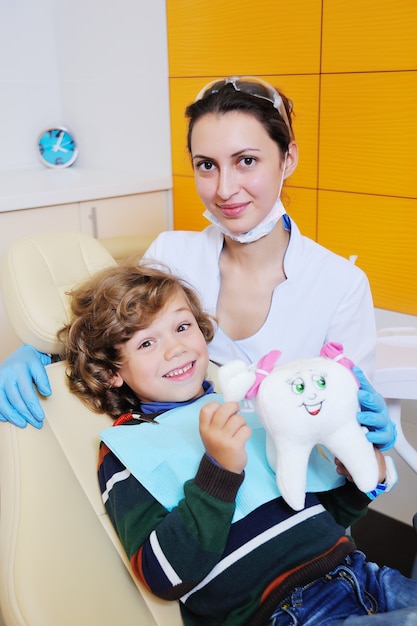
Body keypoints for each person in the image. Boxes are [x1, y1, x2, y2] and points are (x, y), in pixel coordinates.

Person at [0, 76, 396, 454]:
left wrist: (367, 445)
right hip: (188, 474)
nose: (224, 189)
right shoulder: (172, 255)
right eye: (207, 165)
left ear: (287, 158)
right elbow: (116, 342)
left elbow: (349, 437)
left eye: (246, 161)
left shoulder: (339, 285)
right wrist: (44, 351)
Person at [57, 259, 417, 626]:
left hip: (363, 574)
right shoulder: (127, 450)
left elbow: (328, 514)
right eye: (147, 342)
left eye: (182, 326)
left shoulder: (251, 408)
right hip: (283, 613)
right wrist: (219, 474)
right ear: (111, 372)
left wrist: (356, 476)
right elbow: (163, 575)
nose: (175, 348)